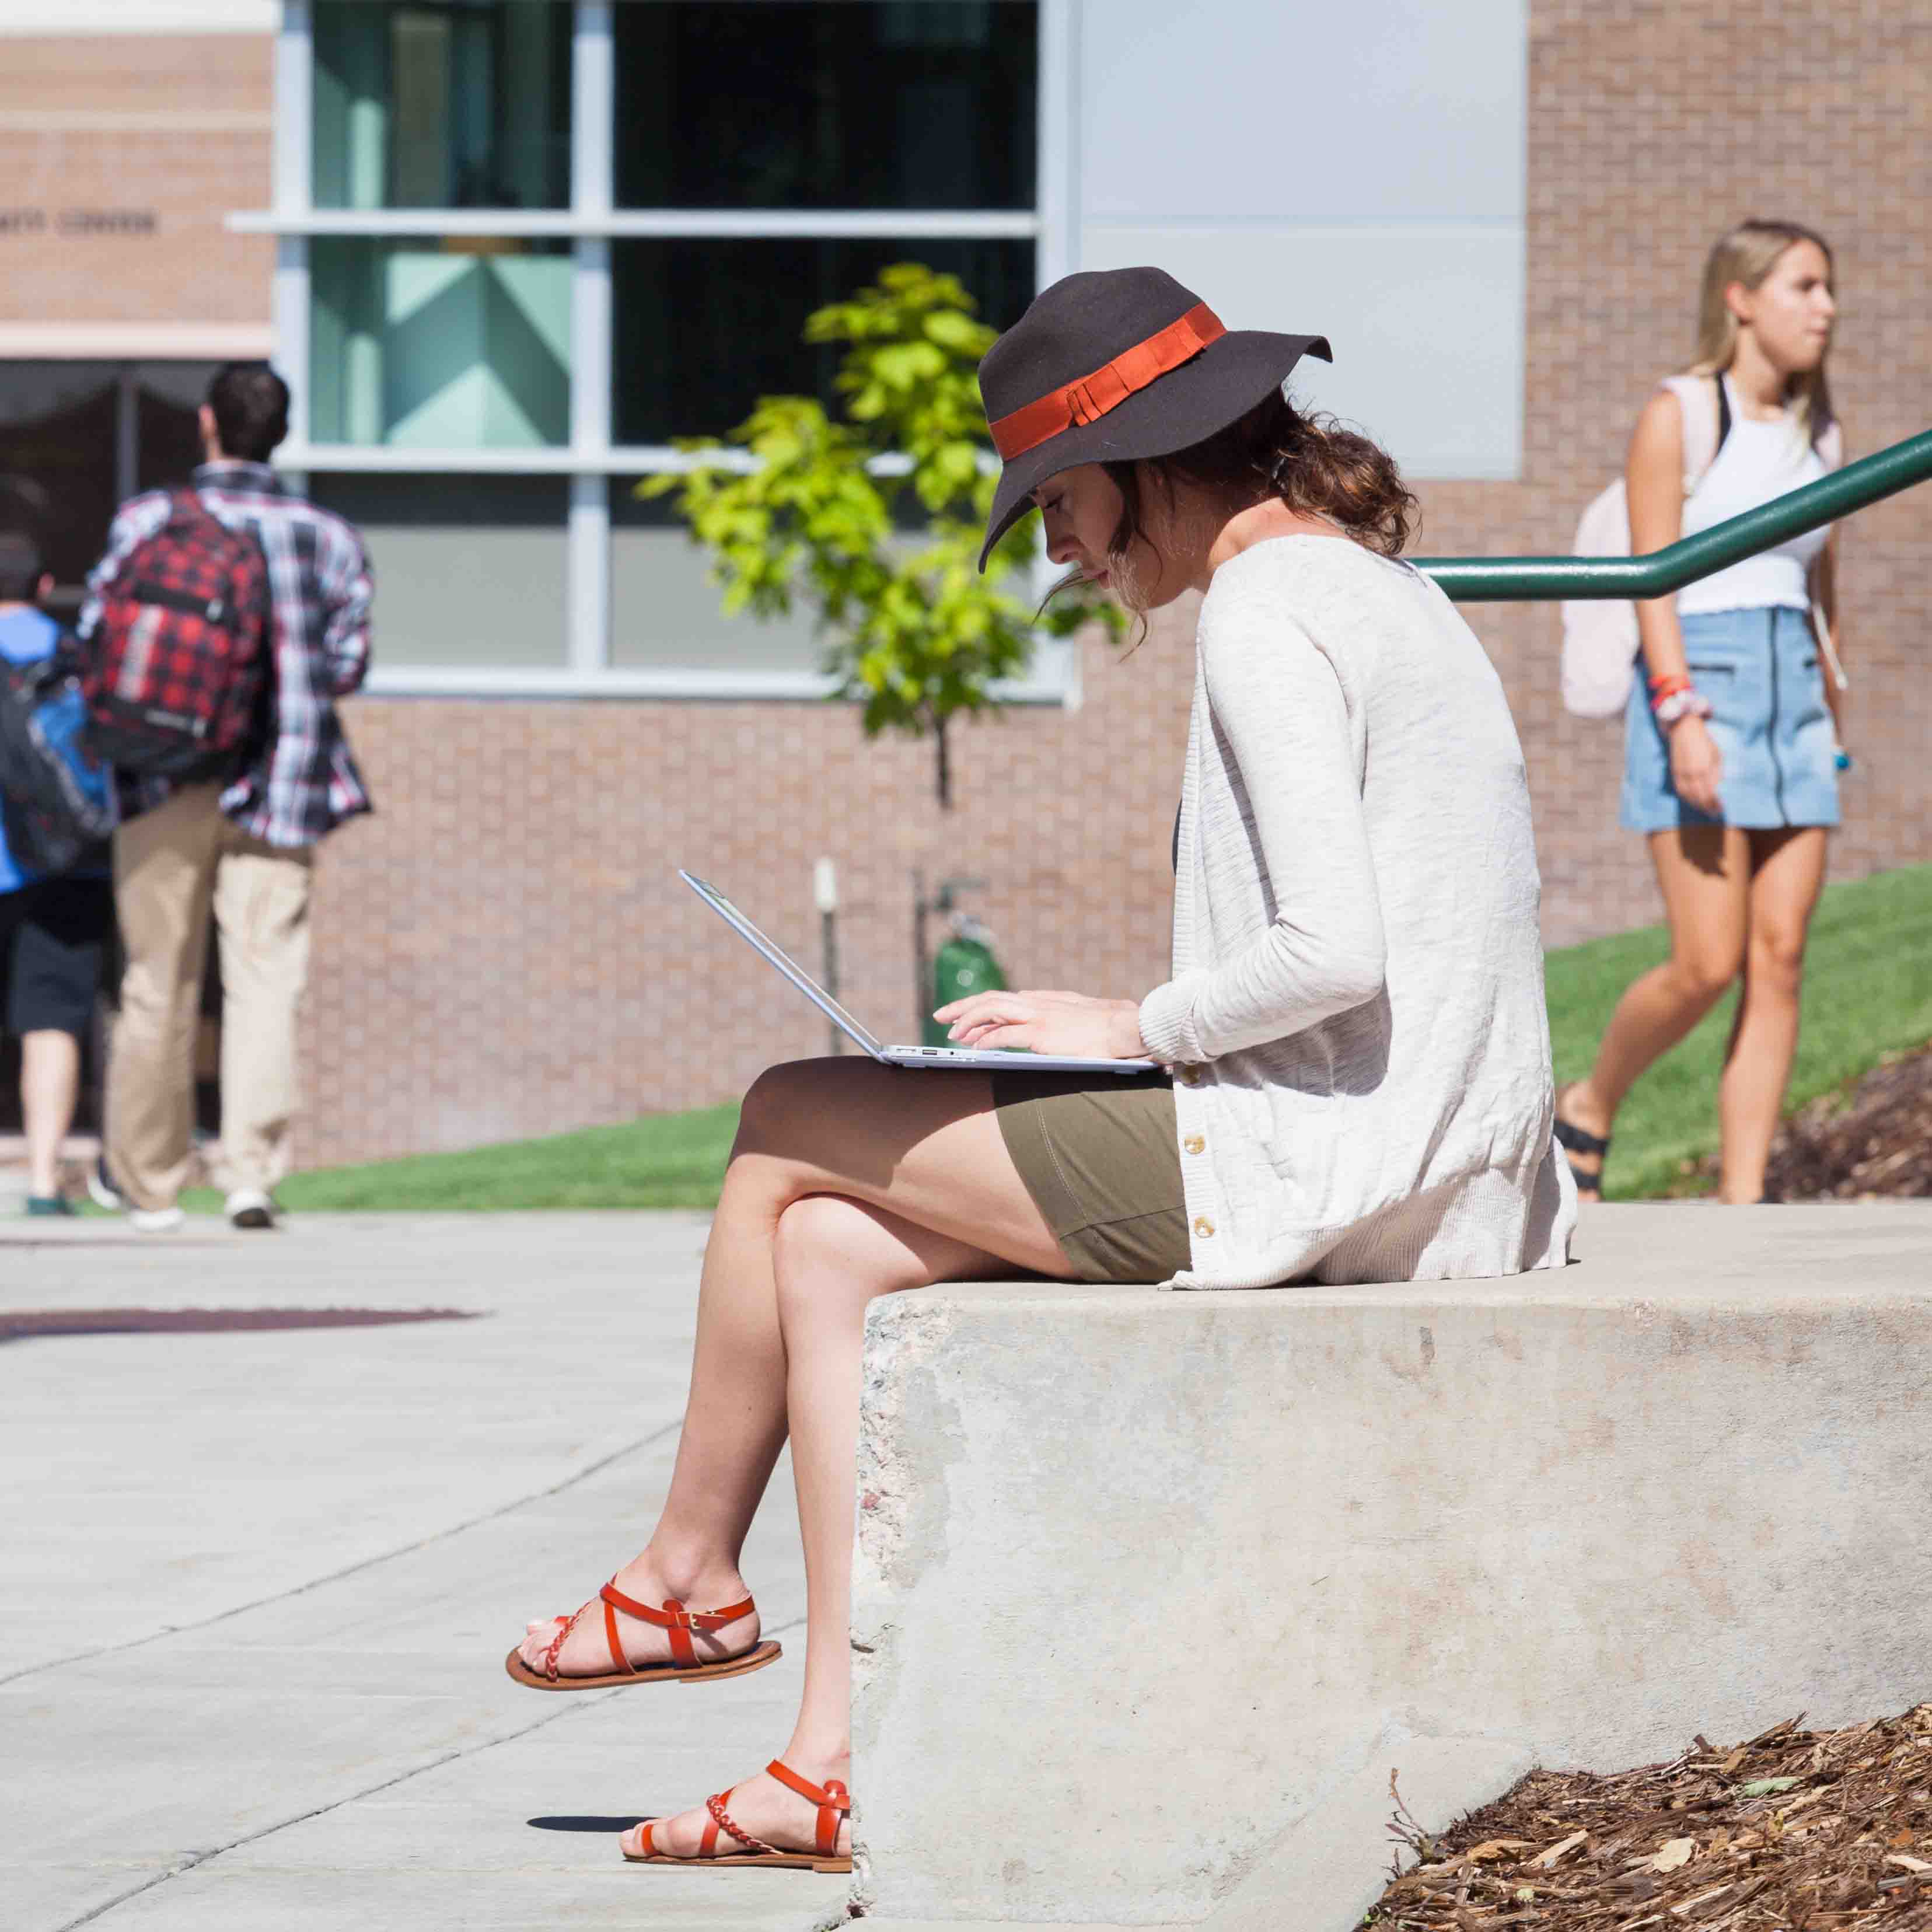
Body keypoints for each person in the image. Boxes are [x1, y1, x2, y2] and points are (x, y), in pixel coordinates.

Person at [506, 266, 1575, 1872]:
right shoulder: (1358, 586)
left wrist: (1128, 1024)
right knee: (826, 1235)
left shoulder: (1265, 615)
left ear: (1143, 461)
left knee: (786, 1111)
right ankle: (826, 1757)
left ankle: (679, 1573)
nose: (1059, 549)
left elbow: (1333, 950)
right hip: (1411, 1153)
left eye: (1060, 503)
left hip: (1328, 1164)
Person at [1554, 221, 1843, 1204]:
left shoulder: (1823, 430)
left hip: (1796, 696)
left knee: (1780, 958)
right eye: (1804, 286)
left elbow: (1822, 586)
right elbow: (1652, 578)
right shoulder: (1679, 413)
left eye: (1827, 288)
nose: (1825, 307)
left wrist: (1833, 715)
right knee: (1707, 961)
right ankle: (1590, 1101)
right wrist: (1678, 711)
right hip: (1701, 687)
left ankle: (1743, 1202)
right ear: (1740, 298)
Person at [80, 364, 373, 1232]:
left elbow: (99, 637)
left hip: (158, 773)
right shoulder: (326, 536)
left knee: (154, 980)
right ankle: (249, 1174)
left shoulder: (147, 521)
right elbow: (350, 660)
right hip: (283, 781)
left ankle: (151, 1183)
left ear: (208, 423)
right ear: (279, 431)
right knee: (264, 978)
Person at [0, 529, 113, 1214]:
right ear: (44, 586)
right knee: (51, 1020)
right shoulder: (76, 654)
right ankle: (44, 1181)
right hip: (68, 863)